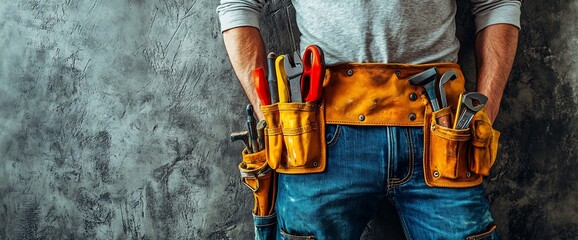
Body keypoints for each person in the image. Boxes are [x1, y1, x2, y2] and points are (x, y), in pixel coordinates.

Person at [217, 1, 520, 239]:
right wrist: (271, 118)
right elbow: (236, 5)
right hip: (319, 140)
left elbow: (497, 4)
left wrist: (483, 115)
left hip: (445, 135)